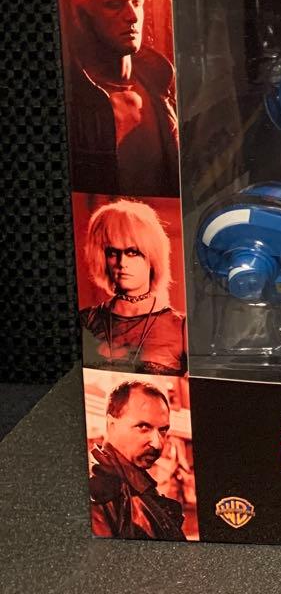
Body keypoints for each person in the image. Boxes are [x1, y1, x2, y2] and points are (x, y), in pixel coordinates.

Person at [65, 0, 179, 196]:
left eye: (136, 3)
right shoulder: (76, 102)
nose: (132, 16)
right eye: (115, 4)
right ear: (83, 16)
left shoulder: (161, 84)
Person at [79, 200, 187, 375]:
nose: (122, 263)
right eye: (112, 253)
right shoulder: (87, 320)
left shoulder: (181, 327)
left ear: (152, 256)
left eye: (132, 252)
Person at [88, 380, 187, 540]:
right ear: (111, 424)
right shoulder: (99, 494)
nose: (157, 443)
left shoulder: (133, 486)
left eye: (163, 430)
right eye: (143, 427)